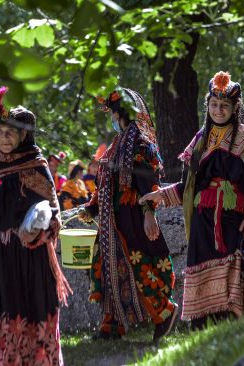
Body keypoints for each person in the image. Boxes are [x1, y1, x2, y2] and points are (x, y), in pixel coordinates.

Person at [140, 71, 244, 330]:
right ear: (208, 105)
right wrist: (160, 195)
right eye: (214, 105)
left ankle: (239, 323)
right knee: (203, 270)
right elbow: (189, 186)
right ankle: (203, 326)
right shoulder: (200, 140)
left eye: (224, 105)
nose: (218, 110)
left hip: (232, 219)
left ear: (235, 108)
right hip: (203, 221)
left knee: (237, 268)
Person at [0, 86, 71, 365]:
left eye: (11, 132)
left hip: (27, 259)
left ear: (23, 135)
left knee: (25, 315)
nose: (3, 137)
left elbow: (53, 214)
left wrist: (38, 228)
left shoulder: (36, 167)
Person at [78, 88, 177, 341]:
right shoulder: (117, 144)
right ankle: (112, 325)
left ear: (120, 113)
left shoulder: (140, 143)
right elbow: (105, 184)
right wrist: (91, 208)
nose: (110, 117)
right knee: (109, 269)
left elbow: (147, 182)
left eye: (111, 112)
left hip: (132, 218)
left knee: (140, 266)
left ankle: (164, 313)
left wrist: (148, 214)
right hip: (112, 223)